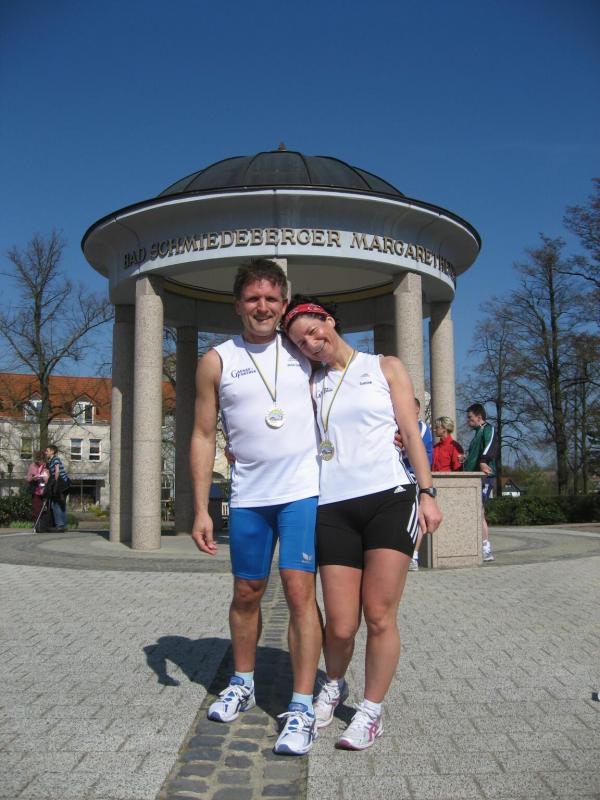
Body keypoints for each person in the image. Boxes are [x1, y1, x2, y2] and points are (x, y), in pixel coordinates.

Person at [283, 296, 442, 750]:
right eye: (300, 342)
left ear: (329, 320)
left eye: (313, 331)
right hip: (333, 507)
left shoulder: (385, 366)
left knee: (379, 614)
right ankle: (333, 686)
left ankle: (371, 711)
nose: (311, 343)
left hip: (389, 499)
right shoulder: (310, 383)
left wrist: (428, 493)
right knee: (340, 623)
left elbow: (411, 432)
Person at [190, 260, 322, 756]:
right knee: (246, 592)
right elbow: (203, 435)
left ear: (284, 304)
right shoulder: (216, 360)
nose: (262, 307)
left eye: (271, 298)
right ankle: (242, 682)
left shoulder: (304, 350)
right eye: (252, 298)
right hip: (248, 497)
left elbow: (347, 392)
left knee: (299, 593)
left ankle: (302, 705)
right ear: (237, 304)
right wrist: (202, 508)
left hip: (303, 492)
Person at [463, 403, 497, 562]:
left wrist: (483, 461)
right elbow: (474, 454)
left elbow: (490, 445)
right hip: (472, 477)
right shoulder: (476, 434)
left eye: (470, 418)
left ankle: (486, 548)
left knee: (479, 511)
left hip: (483, 477)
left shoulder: (488, 429)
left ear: (479, 417)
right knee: (475, 511)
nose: (468, 421)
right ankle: (476, 545)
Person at [403, 397, 433, 572]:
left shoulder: (420, 428)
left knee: (416, 517)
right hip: (404, 476)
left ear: (417, 409)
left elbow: (411, 449)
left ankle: (413, 556)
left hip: (415, 478)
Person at [45, 445, 69, 532]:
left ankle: (60, 525)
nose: (46, 452)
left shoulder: (55, 459)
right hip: (63, 484)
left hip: (61, 484)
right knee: (61, 504)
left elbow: (57, 471)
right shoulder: (50, 461)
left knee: (56, 504)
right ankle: (63, 525)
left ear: (52, 451)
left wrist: (55, 483)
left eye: (47, 451)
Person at [26, 452, 50, 532]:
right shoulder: (32, 466)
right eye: (39, 460)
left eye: (42, 460)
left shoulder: (46, 466)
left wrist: (46, 477)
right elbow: (28, 478)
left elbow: (48, 478)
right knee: (36, 508)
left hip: (45, 490)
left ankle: (44, 526)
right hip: (36, 489)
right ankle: (37, 526)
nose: (41, 462)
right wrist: (34, 478)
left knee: (45, 509)